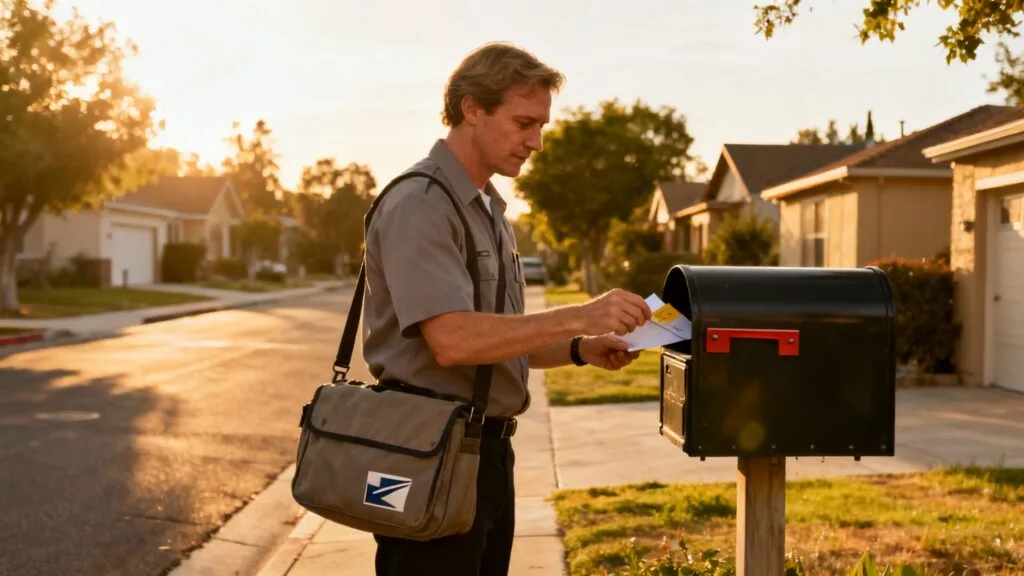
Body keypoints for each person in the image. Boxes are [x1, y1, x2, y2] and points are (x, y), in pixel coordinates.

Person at [361, 41, 653, 576]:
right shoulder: (421, 203)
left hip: (487, 456)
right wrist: (581, 314)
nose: (536, 142)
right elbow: (453, 342)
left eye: (541, 126)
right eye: (524, 123)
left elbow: (499, 339)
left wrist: (582, 349)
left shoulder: (488, 210)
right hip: (428, 452)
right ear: (472, 108)